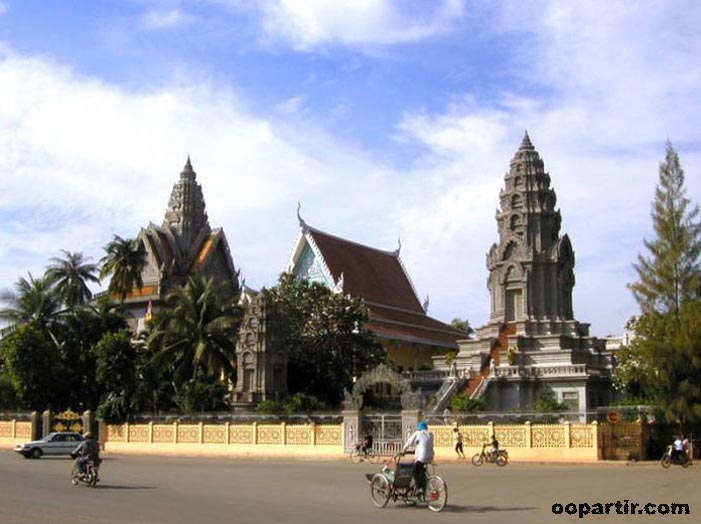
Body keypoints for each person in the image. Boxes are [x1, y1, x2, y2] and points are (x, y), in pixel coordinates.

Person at [402, 421, 434, 498]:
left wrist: (403, 450)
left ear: (419, 428)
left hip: (422, 457)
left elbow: (409, 442)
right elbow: (421, 446)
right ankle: (423, 485)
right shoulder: (429, 434)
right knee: (421, 470)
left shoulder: (418, 433)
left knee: (414, 471)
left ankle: (420, 488)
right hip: (430, 456)